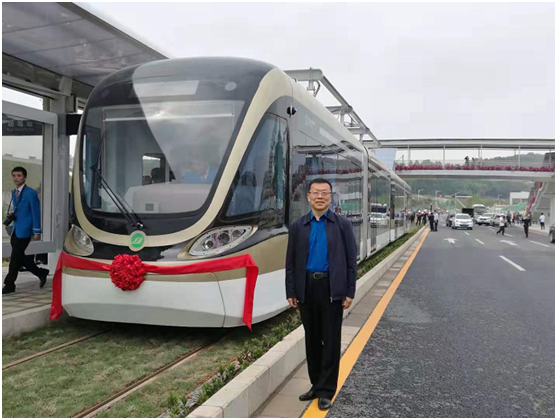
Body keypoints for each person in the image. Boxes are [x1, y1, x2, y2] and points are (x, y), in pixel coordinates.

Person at [285, 178, 357, 411]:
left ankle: (326, 390)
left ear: (330, 197)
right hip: (307, 288)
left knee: (331, 341)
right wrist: (291, 290)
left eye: (324, 193)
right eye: (315, 192)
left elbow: (350, 261)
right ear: (308, 197)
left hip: (331, 288)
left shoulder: (341, 224)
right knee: (312, 340)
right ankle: (316, 385)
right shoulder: (298, 226)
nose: (320, 196)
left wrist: (349, 291)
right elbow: (290, 262)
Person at [3, 167, 49, 294]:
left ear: (25, 177)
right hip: (16, 229)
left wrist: (37, 231)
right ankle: (41, 272)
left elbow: (36, 212)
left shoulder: (31, 193)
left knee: (15, 258)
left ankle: (9, 284)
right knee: (22, 258)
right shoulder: (14, 192)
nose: (16, 178)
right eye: (14, 175)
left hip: (25, 230)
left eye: (19, 175)